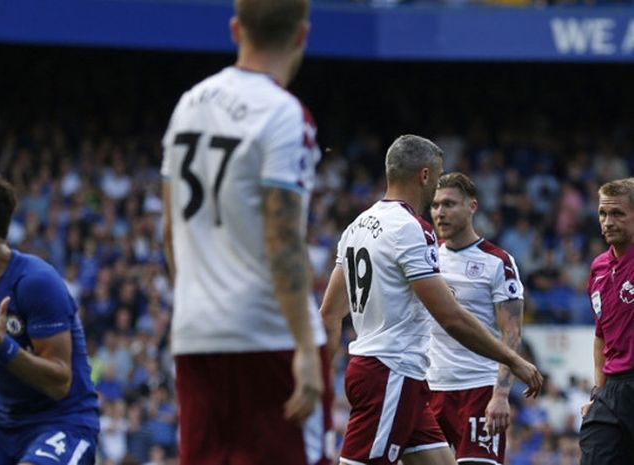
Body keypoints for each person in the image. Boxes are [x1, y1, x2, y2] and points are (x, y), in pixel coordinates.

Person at [160, 1, 332, 464]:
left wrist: (197, 304)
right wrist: (303, 347)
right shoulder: (284, 115)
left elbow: (170, 230)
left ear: (235, 29)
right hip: (267, 334)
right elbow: (282, 239)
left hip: (197, 333)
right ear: (301, 36)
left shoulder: (188, 106)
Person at [319, 135, 542, 465]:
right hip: (391, 370)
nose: (437, 195)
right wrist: (516, 361)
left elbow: (329, 312)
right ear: (424, 176)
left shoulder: (357, 226)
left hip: (384, 371)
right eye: (437, 178)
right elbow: (450, 317)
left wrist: (324, 378)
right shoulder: (412, 228)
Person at [0, 167, 99, 465]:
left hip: (63, 422)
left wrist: (2, 347)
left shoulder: (37, 282)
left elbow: (60, 382)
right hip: (2, 426)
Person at [426, 172, 525, 465]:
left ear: (472, 206)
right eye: (435, 205)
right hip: (431, 389)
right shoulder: (424, 258)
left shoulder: (497, 262)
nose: (440, 213)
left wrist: (501, 394)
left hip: (479, 390)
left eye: (449, 204)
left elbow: (512, 332)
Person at [580, 178, 634, 464]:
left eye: (618, 214)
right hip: (611, 390)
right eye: (603, 214)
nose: (608, 221)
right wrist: (598, 393)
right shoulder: (598, 267)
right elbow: (601, 335)